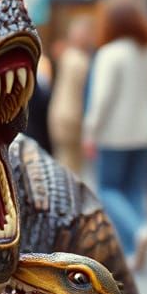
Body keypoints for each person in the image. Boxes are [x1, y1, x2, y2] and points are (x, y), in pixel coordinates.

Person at [82, 0, 147, 272]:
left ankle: (138, 230)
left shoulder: (109, 54)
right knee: (134, 190)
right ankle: (134, 247)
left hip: (113, 135)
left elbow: (102, 98)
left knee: (108, 189)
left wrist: (90, 131)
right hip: (146, 134)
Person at [47, 13, 95, 175]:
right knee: (71, 168)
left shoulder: (68, 56)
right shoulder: (80, 61)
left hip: (60, 116)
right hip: (72, 119)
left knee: (65, 163)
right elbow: (84, 95)